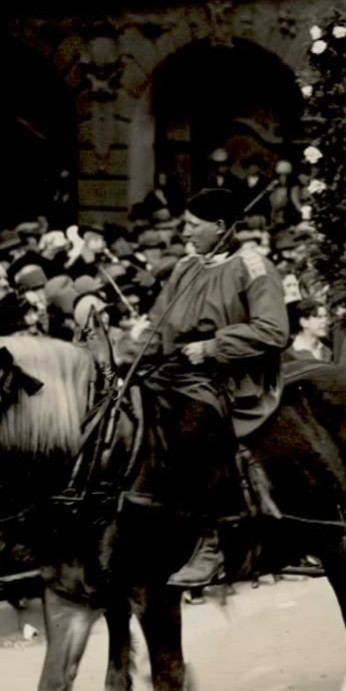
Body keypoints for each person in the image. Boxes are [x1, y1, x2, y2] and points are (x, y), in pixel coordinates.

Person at [125, 188, 290, 588]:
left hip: (233, 376)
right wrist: (129, 347)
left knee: (194, 425)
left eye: (193, 226)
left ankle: (213, 539)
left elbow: (273, 329)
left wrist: (214, 346)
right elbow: (160, 321)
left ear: (220, 227)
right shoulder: (186, 265)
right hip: (180, 367)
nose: (186, 233)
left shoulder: (253, 267)